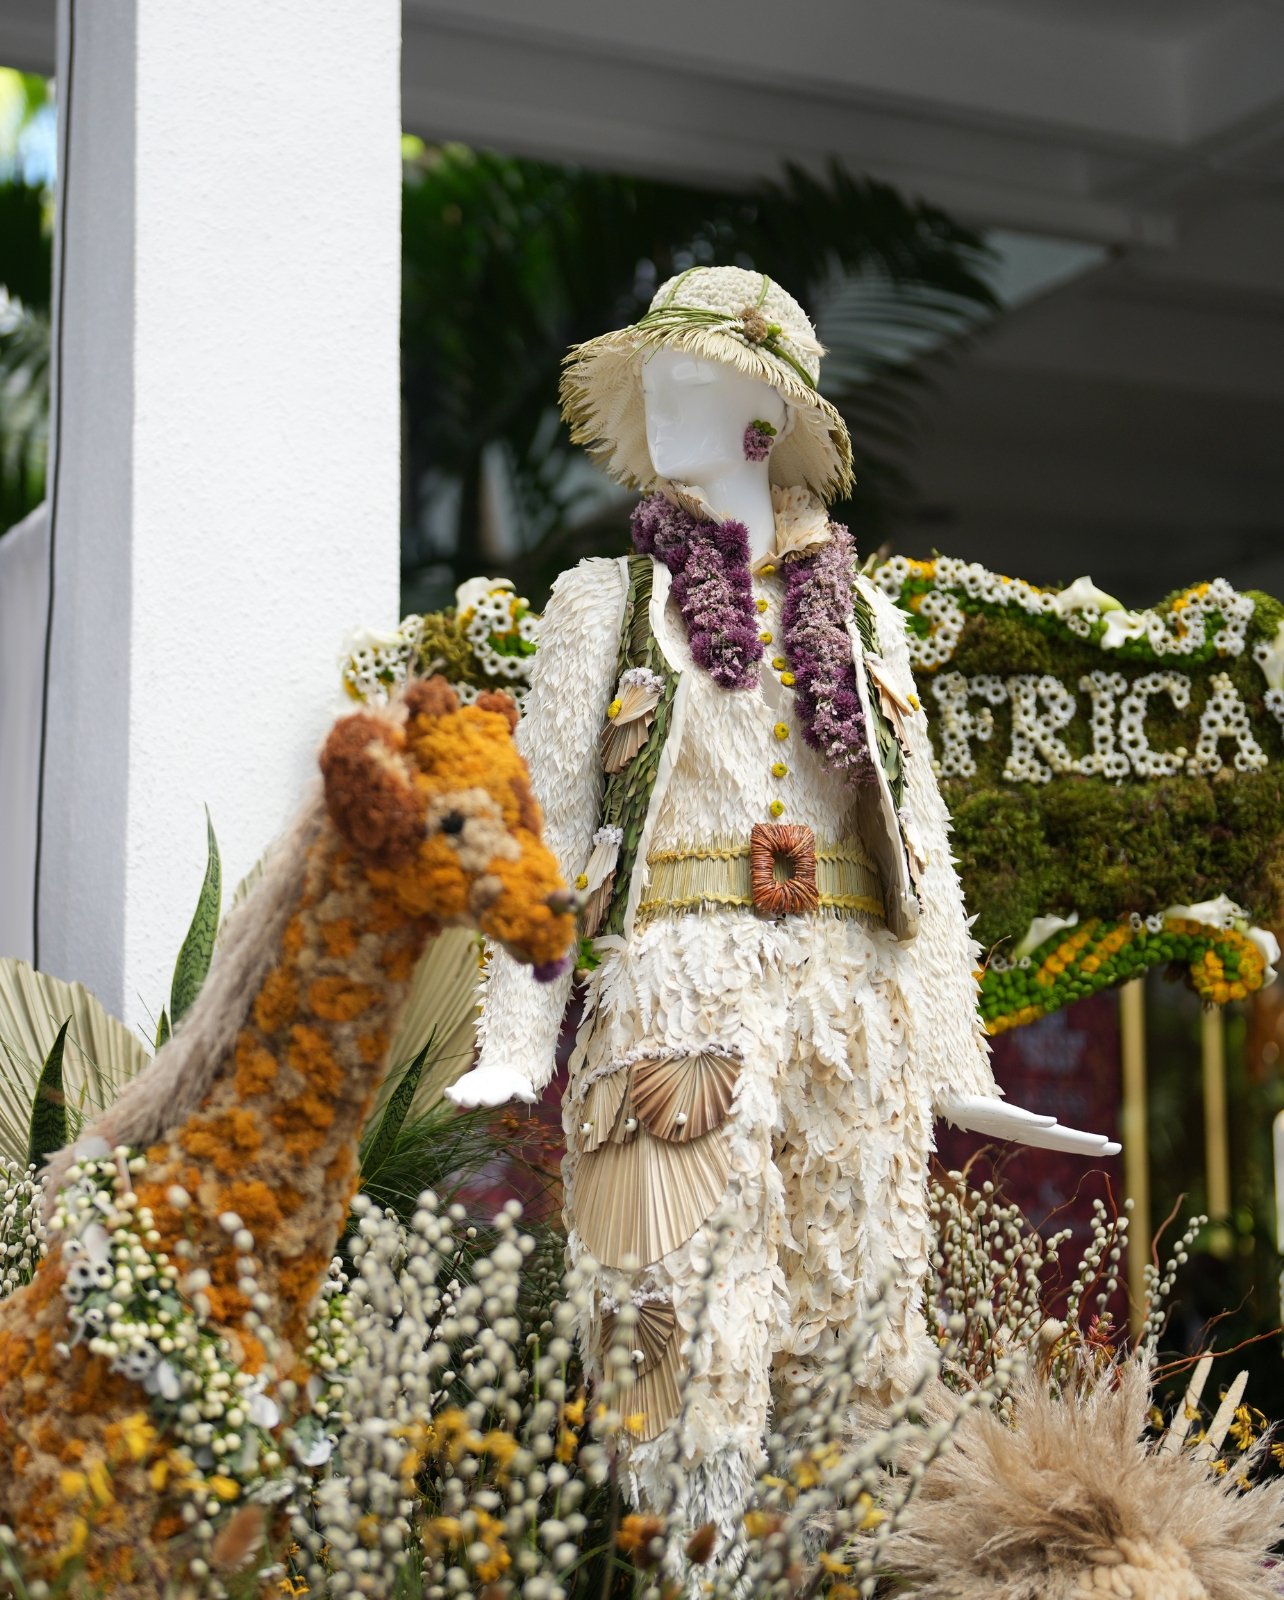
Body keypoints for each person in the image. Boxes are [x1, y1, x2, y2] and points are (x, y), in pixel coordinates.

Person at [448, 266, 1115, 1541]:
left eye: (690, 377)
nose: (659, 398)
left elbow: (916, 845)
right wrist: (520, 1040)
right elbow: (545, 836)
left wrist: (952, 1065)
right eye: (652, 377)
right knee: (679, 1323)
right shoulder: (606, 605)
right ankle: (693, 1565)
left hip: (845, 1002)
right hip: (674, 996)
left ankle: (842, 1560)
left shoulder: (864, 619)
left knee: (859, 1319)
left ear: (767, 420)